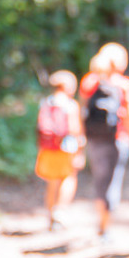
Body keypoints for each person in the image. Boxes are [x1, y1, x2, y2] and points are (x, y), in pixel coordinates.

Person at [79, 43, 129, 242]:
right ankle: (106, 228)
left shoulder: (89, 82)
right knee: (112, 181)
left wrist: (81, 137)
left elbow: (82, 112)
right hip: (116, 139)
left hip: (94, 138)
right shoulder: (124, 84)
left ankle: (101, 222)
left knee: (100, 180)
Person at [34, 70, 85, 231]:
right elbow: (74, 129)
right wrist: (80, 150)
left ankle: (50, 216)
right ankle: (60, 211)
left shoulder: (46, 103)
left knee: (52, 181)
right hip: (66, 148)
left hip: (48, 148)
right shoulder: (70, 105)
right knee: (69, 178)